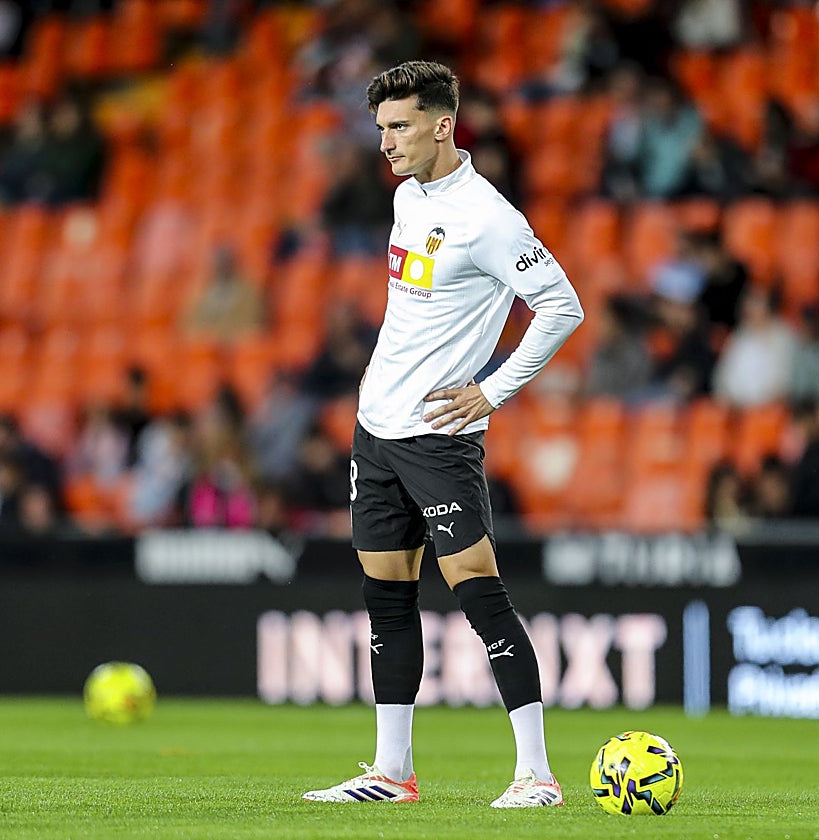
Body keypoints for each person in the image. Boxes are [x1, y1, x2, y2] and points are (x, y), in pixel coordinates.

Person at [301, 61, 583, 808]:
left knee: (479, 595)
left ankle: (537, 776)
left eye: (398, 127)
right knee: (385, 601)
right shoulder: (406, 198)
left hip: (437, 437)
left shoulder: (490, 218)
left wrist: (490, 390)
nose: (385, 143)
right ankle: (391, 774)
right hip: (377, 433)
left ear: (441, 124)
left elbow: (561, 307)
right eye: (381, 128)